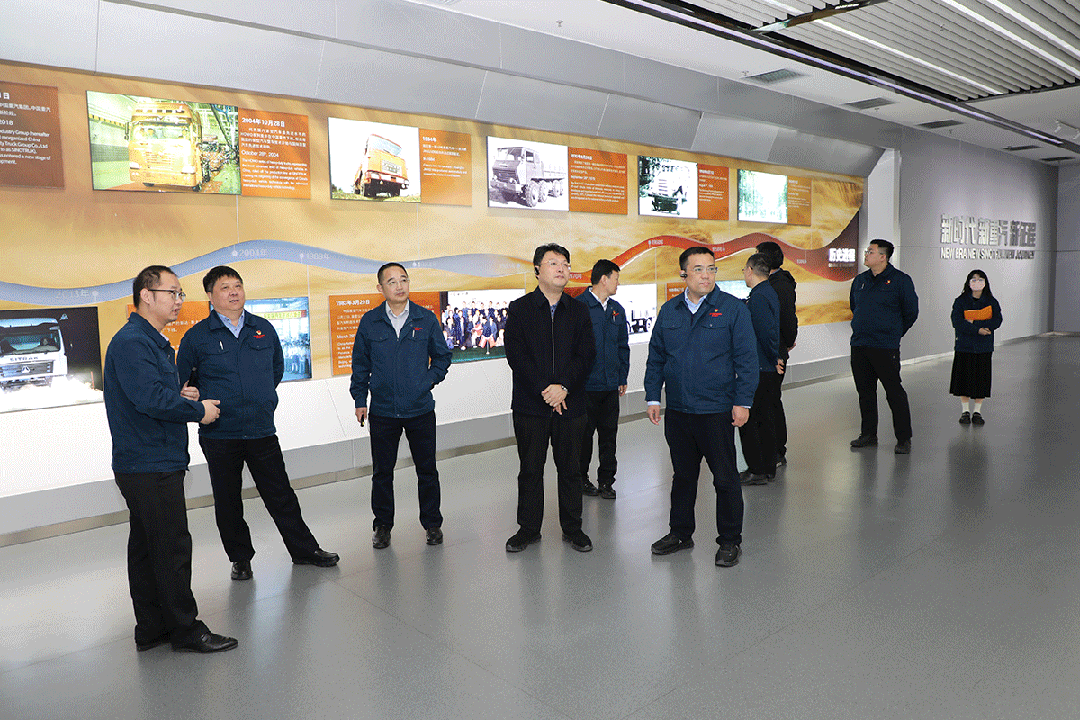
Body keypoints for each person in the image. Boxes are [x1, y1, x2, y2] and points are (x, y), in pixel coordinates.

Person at [103, 265, 237, 654]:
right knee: (171, 548)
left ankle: (152, 627)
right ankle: (185, 629)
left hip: (147, 460)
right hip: (151, 462)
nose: (179, 300)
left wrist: (180, 396)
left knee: (148, 549)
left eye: (180, 294)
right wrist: (199, 411)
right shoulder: (134, 342)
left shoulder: (149, 341)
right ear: (147, 295)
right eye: (172, 293)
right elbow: (150, 400)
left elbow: (152, 393)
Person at [176, 266, 338, 582]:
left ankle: (304, 550)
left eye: (238, 285)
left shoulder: (262, 328)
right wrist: (195, 398)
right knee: (228, 501)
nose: (234, 292)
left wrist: (258, 397)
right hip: (220, 433)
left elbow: (276, 370)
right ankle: (240, 559)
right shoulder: (197, 337)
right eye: (225, 287)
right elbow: (184, 384)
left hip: (261, 428)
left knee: (281, 494)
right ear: (210, 295)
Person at [644, 247, 758, 567]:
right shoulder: (670, 310)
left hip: (716, 409)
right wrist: (653, 397)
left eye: (711, 269)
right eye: (698, 269)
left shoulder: (733, 309)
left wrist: (743, 401)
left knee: (724, 478)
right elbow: (656, 357)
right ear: (684, 274)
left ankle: (730, 540)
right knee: (683, 476)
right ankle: (680, 533)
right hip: (679, 411)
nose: (706, 275)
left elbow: (747, 360)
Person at [351, 263, 452, 549]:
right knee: (382, 472)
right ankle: (382, 526)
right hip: (383, 411)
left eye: (404, 280)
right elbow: (360, 364)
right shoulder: (370, 322)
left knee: (427, 470)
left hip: (420, 409)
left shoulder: (425, 318)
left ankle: (432, 524)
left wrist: (426, 381)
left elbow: (442, 357)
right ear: (380, 288)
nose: (399, 286)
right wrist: (359, 400)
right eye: (392, 281)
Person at [504, 243, 596, 553]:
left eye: (566, 264)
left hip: (571, 404)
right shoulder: (520, 309)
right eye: (554, 263)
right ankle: (528, 529)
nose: (562, 269)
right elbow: (517, 356)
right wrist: (547, 390)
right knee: (530, 469)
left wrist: (564, 387)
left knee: (571, 469)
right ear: (537, 270)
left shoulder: (579, 310)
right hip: (531, 405)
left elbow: (586, 354)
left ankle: (573, 528)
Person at [849, 238, 919, 454]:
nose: (866, 254)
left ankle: (904, 438)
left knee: (894, 392)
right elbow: (854, 307)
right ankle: (868, 434)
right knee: (865, 392)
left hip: (885, 347)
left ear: (883, 257)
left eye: (870, 251)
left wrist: (894, 333)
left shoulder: (900, 281)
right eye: (867, 251)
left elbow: (911, 312)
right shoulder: (860, 280)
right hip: (860, 345)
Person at [576, 259, 630, 500]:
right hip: (586, 386)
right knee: (584, 437)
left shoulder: (617, 309)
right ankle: (581, 479)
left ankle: (607, 481)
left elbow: (622, 346)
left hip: (610, 385)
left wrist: (622, 376)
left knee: (609, 437)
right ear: (604, 279)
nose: (618, 283)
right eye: (616, 278)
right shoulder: (578, 307)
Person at [738, 253, 780, 485]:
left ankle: (757, 469)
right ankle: (767, 466)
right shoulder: (767, 293)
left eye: (745, 270)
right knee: (765, 418)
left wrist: (773, 358)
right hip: (765, 366)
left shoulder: (759, 297)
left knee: (751, 420)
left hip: (759, 367)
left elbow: (765, 333)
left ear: (750, 270)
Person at [755, 240, 797, 466]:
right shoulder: (772, 284)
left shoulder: (778, 287)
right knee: (769, 401)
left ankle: (777, 451)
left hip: (774, 351)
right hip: (772, 350)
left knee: (770, 402)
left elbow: (787, 318)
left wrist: (784, 345)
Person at [950, 269, 1002, 425]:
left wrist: (975, 322)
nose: (977, 283)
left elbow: (997, 320)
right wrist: (978, 329)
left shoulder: (991, 301)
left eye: (980, 280)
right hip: (964, 345)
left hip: (983, 347)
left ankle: (977, 412)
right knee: (964, 378)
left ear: (985, 283)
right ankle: (965, 411)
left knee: (981, 379)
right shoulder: (961, 301)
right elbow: (957, 322)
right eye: (973, 280)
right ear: (968, 283)